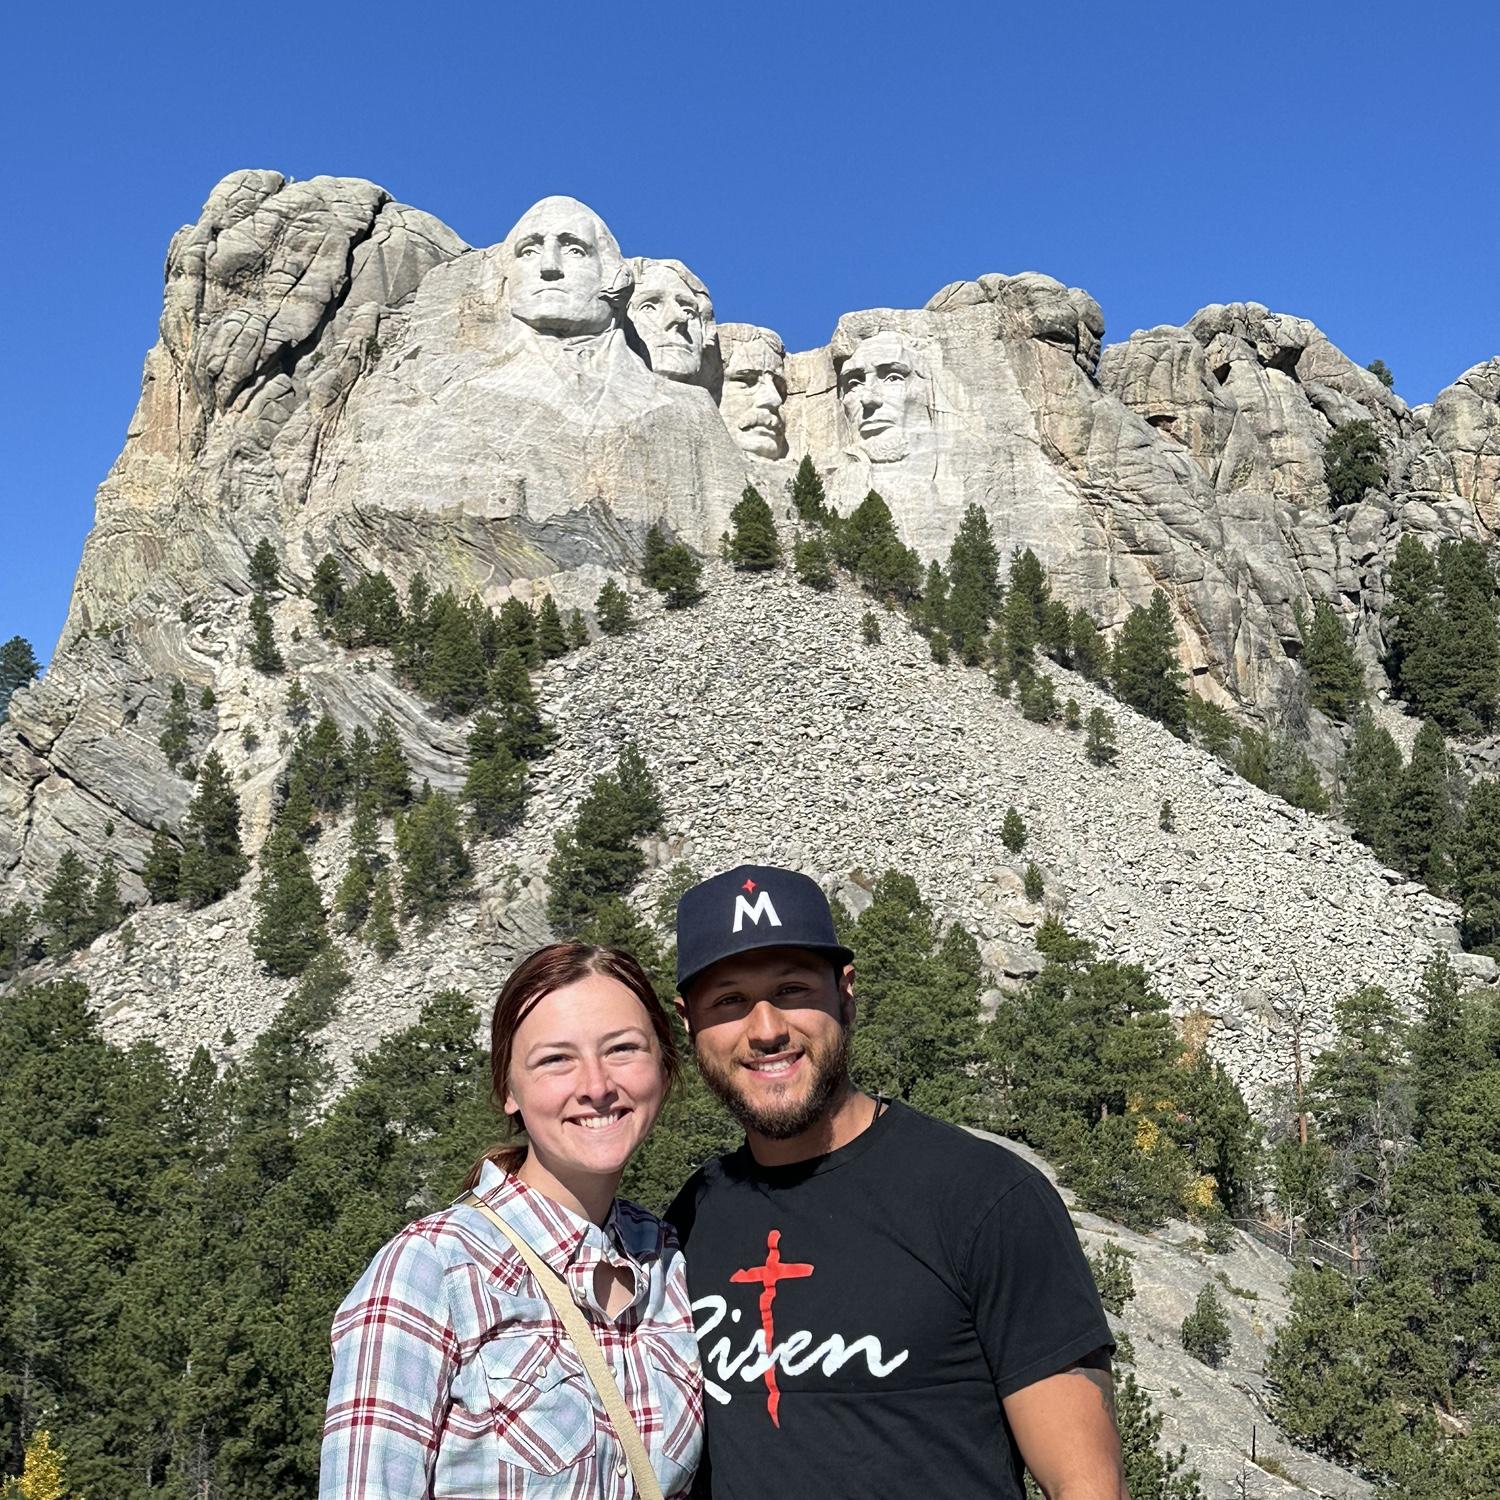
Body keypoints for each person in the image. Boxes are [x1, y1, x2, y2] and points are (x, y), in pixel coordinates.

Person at [666, 865, 1126, 1500]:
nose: (766, 1028)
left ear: (845, 993)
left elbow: (1086, 1485)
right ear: (689, 1022)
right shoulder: (690, 1218)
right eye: (729, 1001)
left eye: (793, 989)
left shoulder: (986, 1199)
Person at [320, 943, 704, 1499]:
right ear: (508, 1089)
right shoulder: (430, 1271)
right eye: (555, 1059)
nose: (596, 1086)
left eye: (622, 1049)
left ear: (663, 1069)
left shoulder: (672, 1260)